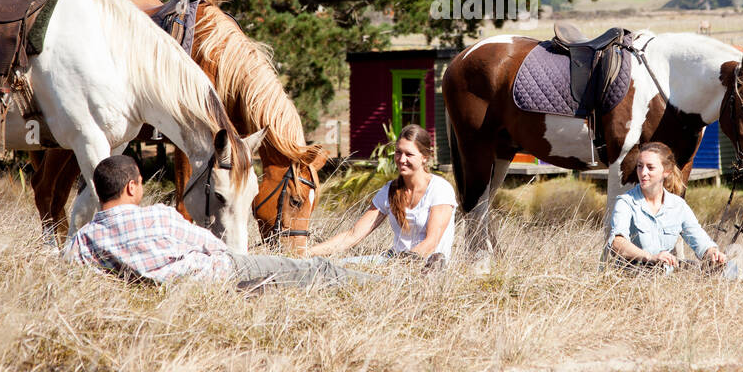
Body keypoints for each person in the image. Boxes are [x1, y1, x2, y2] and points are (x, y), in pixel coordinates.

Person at [65, 155, 377, 288]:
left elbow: (72, 268)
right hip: (220, 273)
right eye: (141, 182)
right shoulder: (157, 216)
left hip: (194, 286)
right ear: (132, 186)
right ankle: (380, 283)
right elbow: (209, 243)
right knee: (316, 270)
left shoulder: (83, 241)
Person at [305, 124, 455, 268]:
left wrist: (398, 266)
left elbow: (431, 242)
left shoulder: (440, 189)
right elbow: (353, 235)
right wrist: (307, 253)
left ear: (425, 157)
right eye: (398, 152)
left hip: (426, 265)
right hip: (393, 260)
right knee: (336, 266)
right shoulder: (390, 190)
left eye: (409, 154)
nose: (402, 159)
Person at [607, 142, 726, 272]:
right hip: (633, 274)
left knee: (725, 269)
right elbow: (617, 243)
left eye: (650, 167)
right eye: (640, 166)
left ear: (666, 172)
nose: (643, 172)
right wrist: (650, 257)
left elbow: (699, 239)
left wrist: (712, 253)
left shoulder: (678, 205)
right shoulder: (625, 202)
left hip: (665, 276)